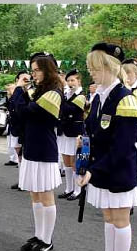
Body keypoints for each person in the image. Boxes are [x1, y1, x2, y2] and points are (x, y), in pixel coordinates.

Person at [79, 43, 137, 251]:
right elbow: (93, 133)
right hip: (101, 168)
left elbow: (123, 147)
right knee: (108, 217)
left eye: (94, 68)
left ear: (108, 67)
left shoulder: (125, 98)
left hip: (117, 170)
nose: (91, 73)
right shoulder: (99, 96)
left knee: (120, 219)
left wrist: (95, 170)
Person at [11, 52, 64, 251]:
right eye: (32, 71)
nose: (33, 75)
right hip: (32, 147)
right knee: (35, 195)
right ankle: (38, 235)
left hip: (44, 149)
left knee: (45, 196)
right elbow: (20, 113)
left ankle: (47, 240)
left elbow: (26, 112)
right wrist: (22, 93)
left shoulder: (54, 92)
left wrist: (18, 91)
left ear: (47, 69)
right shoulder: (40, 90)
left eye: (36, 70)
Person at [57, 68, 86, 201]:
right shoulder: (67, 94)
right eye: (68, 80)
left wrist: (62, 97)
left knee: (75, 162)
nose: (70, 83)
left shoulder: (81, 96)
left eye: (72, 80)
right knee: (66, 161)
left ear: (79, 81)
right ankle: (69, 188)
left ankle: (78, 189)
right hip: (64, 131)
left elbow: (71, 109)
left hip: (74, 132)